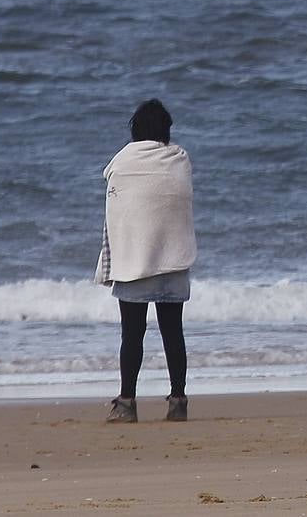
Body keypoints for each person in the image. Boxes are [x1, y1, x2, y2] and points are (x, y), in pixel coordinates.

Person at [95, 99, 197, 423]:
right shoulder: (179, 160)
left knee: (132, 334)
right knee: (172, 332)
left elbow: (117, 213)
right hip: (172, 257)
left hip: (133, 260)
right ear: (166, 131)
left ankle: (126, 404)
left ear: (135, 131)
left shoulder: (121, 163)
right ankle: (178, 401)